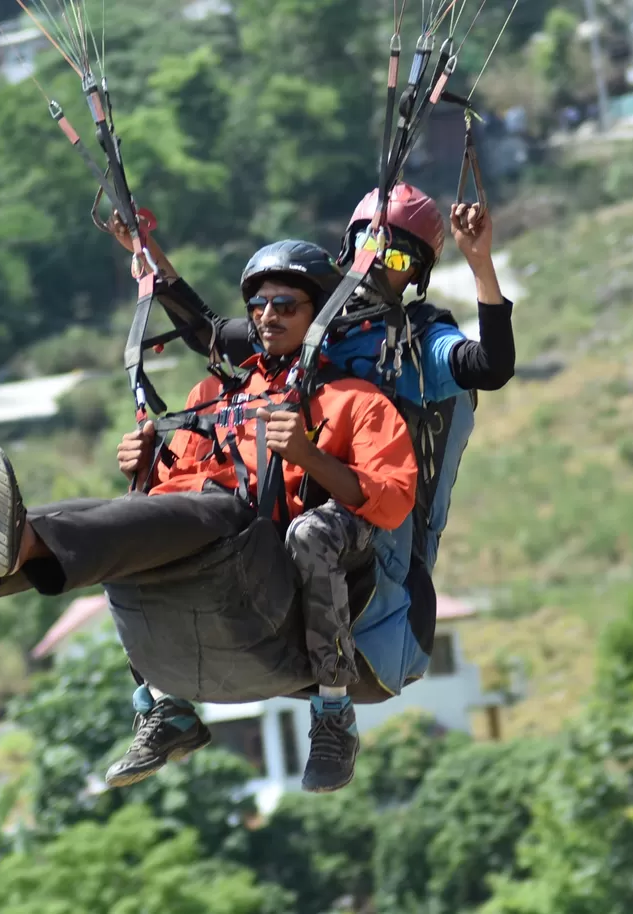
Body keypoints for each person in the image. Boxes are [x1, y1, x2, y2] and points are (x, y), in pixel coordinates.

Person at [0, 240, 418, 794]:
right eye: (258, 304)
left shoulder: (356, 401)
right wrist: (143, 466)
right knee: (130, 512)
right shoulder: (213, 395)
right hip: (210, 542)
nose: (268, 314)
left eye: (286, 304)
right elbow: (169, 491)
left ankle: (332, 718)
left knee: (210, 514)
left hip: (268, 559)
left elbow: (391, 497)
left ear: (318, 315)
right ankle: (10, 550)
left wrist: (309, 457)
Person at [107, 184, 514, 700]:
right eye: (367, 244)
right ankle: (159, 701)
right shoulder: (310, 322)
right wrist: (147, 253)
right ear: (346, 249)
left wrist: (480, 264)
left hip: (364, 522)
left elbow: (492, 366)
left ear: (416, 274)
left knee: (311, 531)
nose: (374, 262)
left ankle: (332, 709)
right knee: (155, 510)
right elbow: (207, 334)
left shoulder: (416, 341)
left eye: (394, 255)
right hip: (285, 502)